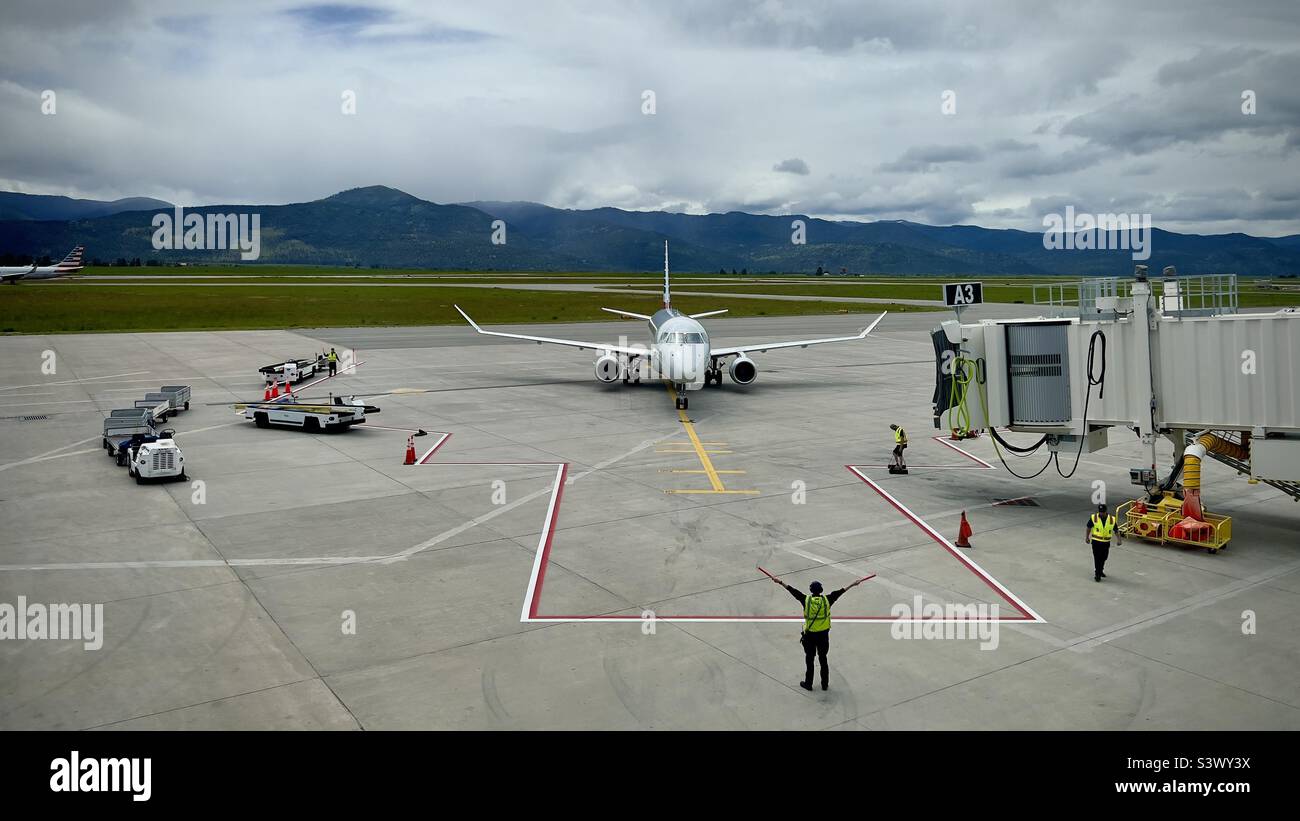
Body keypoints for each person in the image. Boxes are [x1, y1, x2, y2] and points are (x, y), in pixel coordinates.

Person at [766, 574, 868, 691]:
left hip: (810, 636)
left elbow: (793, 591)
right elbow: (841, 591)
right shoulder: (827, 600)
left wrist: (780, 582)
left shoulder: (806, 600)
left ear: (810, 590)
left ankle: (808, 684)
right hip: (823, 636)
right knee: (823, 659)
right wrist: (853, 584)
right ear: (821, 590)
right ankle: (825, 684)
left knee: (810, 659)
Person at [1086, 503, 1120, 582]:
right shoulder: (1094, 518)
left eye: (1103, 512)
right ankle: (1097, 574)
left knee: (1104, 557)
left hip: (1106, 542)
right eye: (1100, 512)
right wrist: (1087, 537)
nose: (1101, 513)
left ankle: (1100, 570)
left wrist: (1119, 539)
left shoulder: (1112, 519)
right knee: (1097, 558)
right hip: (1096, 541)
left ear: (1106, 511)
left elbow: (1116, 530)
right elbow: (1088, 527)